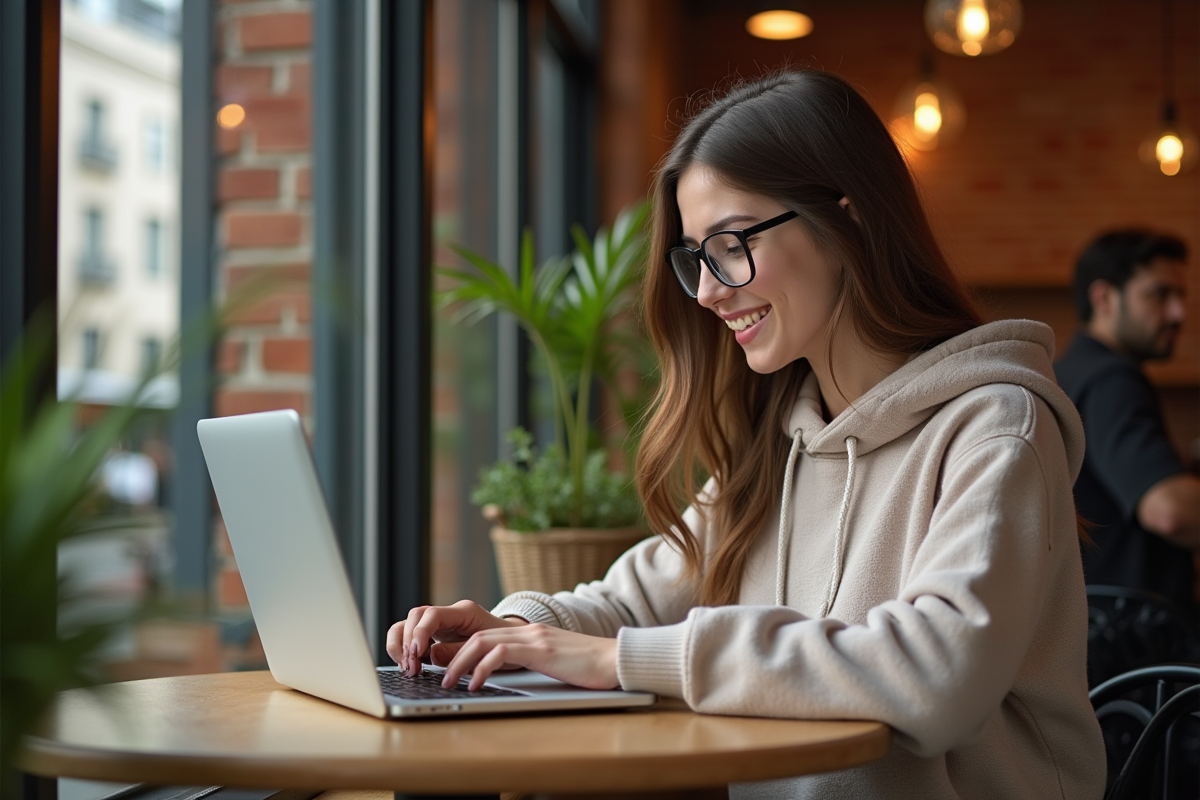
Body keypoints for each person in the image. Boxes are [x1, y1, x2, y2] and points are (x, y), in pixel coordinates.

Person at [389, 70, 1106, 798]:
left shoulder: (996, 427)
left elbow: (940, 674)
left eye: (731, 244)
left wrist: (620, 661)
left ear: (850, 221)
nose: (707, 291)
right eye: (696, 257)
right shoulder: (779, 440)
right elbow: (635, 603)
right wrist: (509, 629)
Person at [1055, 230, 1200, 617]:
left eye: (1180, 296)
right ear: (1104, 298)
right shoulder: (1109, 378)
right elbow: (1169, 510)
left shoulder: (1069, 372)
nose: (1179, 314)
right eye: (1159, 294)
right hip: (1135, 636)